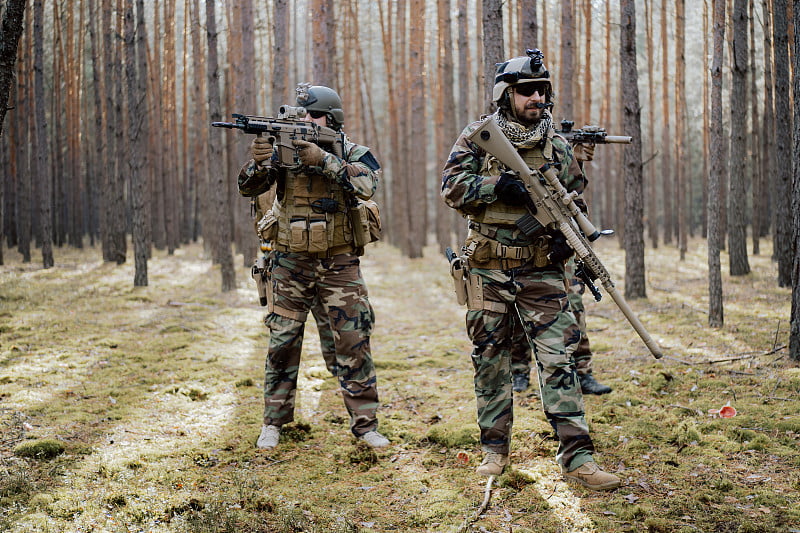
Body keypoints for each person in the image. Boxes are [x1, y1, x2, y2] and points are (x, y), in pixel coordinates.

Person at [440, 49, 621, 491]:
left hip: (542, 271)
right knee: (490, 361)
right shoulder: (476, 137)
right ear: (507, 95)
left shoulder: (556, 144)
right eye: (527, 91)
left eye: (542, 90)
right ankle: (494, 452)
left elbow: (575, 199)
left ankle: (577, 456)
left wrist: (566, 239)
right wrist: (495, 185)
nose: (536, 97)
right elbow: (451, 189)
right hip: (487, 269)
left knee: (560, 361)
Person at [238, 83, 389, 450]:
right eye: (303, 114)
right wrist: (260, 161)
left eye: (314, 115)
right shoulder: (283, 153)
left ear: (332, 119)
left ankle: (365, 426)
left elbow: (368, 184)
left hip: (339, 263)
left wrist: (323, 160)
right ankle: (273, 422)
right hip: (291, 263)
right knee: (282, 342)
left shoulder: (352, 151)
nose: (306, 120)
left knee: (353, 341)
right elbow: (247, 187)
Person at [511, 258, 613, 396]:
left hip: (562, 253)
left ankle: (582, 373)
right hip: (523, 252)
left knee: (573, 306)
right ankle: (519, 371)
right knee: (520, 309)